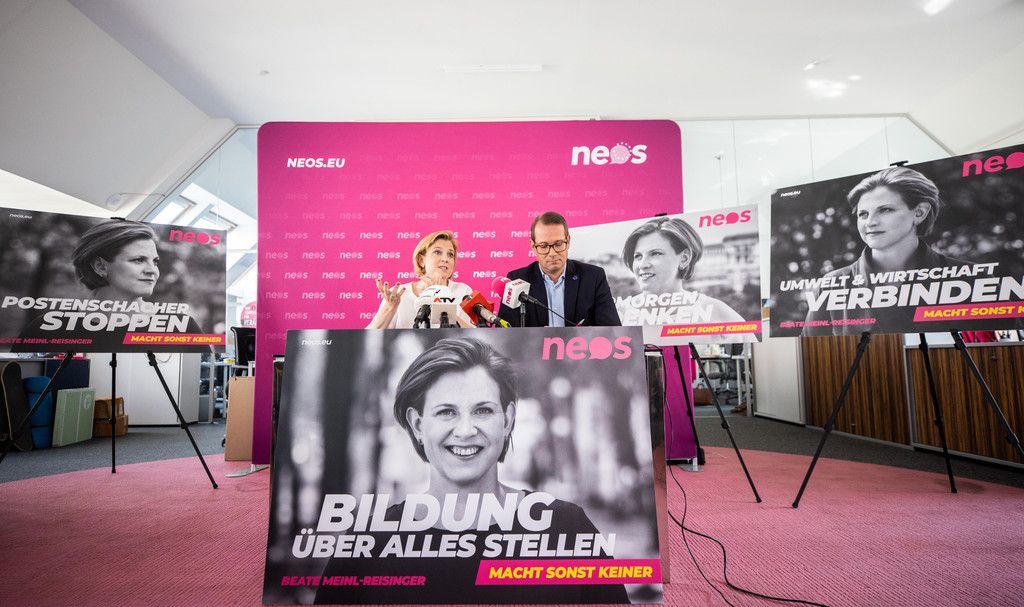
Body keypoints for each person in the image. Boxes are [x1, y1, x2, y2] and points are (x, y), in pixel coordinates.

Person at [317, 338, 629, 604]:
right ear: (418, 425)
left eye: (482, 410)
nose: (465, 430)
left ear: (507, 420)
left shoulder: (567, 528)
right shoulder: (365, 545)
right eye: (446, 412)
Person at [803, 166, 967, 336]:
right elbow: (810, 349)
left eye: (885, 210)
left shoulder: (968, 277)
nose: (870, 222)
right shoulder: (831, 285)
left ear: (919, 212)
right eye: (863, 214)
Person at [16, 219, 205, 351]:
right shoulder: (46, 330)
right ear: (100, 266)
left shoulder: (182, 327)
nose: (152, 271)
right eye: (138, 260)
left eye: (154, 261)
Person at [497, 211, 620, 327]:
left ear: (568, 241)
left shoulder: (593, 277)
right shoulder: (516, 279)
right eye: (543, 246)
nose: (552, 253)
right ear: (533, 246)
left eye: (558, 244)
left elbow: (612, 329)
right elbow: (506, 333)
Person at [618, 216, 745, 327]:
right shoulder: (618, 314)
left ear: (684, 258)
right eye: (638, 256)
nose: (642, 265)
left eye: (655, 253)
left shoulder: (717, 314)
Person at [366, 230, 475, 329]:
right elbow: (371, 334)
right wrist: (390, 308)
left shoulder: (463, 291)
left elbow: (473, 335)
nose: (445, 259)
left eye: (450, 254)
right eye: (437, 252)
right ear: (421, 260)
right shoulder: (399, 293)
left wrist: (442, 303)